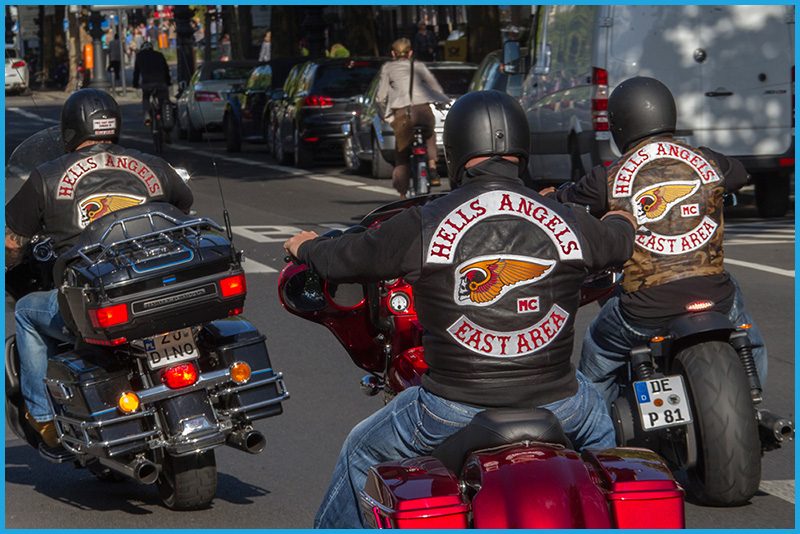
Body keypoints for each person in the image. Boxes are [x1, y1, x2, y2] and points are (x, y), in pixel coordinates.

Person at [283, 90, 638, 528]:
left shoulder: (426, 221)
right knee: (605, 444)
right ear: (520, 150)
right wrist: (620, 217)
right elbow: (619, 242)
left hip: (452, 406)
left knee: (361, 448)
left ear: (455, 150)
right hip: (561, 401)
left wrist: (307, 246)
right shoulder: (563, 217)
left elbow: (347, 257)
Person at [543, 76, 767, 405]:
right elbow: (739, 174)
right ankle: (752, 406)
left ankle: (599, 438)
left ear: (620, 124)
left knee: (597, 351)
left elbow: (569, 199)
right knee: (751, 339)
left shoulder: (608, 177)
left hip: (644, 311)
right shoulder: (706, 160)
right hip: (717, 297)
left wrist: (553, 195)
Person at [5, 89, 193, 450]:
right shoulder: (152, 165)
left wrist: (12, 260)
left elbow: (14, 242)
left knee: (28, 312)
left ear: (69, 129)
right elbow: (183, 205)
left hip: (97, 303)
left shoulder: (47, 177)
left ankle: (43, 419)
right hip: (159, 289)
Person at [375, 38, 449, 198]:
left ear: (393, 53)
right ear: (410, 53)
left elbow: (380, 97)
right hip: (422, 110)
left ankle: (402, 194)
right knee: (429, 134)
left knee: (401, 154)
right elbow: (436, 88)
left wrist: (385, 115)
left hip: (401, 114)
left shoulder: (388, 68)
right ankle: (432, 166)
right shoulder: (419, 66)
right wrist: (442, 103)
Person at [132, 41, 172, 136]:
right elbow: (166, 70)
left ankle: (147, 113)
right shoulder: (159, 55)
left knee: (146, 97)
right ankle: (165, 115)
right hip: (161, 83)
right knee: (164, 99)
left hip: (147, 83)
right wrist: (168, 82)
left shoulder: (140, 56)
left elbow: (136, 72)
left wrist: (135, 84)